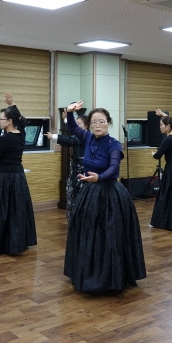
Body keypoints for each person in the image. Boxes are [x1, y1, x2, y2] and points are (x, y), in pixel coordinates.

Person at [62, 101, 146, 291]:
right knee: (88, 232)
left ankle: (110, 276)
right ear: (90, 125)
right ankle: (87, 272)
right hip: (89, 192)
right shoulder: (88, 138)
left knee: (109, 234)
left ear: (109, 123)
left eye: (101, 122)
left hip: (110, 193)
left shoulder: (114, 144)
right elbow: (73, 127)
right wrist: (70, 112)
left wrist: (99, 177)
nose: (97, 125)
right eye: (94, 122)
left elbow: (114, 168)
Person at [0, 93, 37, 255]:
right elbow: (20, 120)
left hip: (6, 178)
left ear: (9, 121)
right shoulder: (22, 135)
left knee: (3, 211)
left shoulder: (4, 139)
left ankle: (1, 245)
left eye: (1, 119)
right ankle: (18, 243)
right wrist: (12, 104)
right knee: (17, 210)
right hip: (19, 177)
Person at [45, 108, 87, 223]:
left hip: (82, 169)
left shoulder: (85, 136)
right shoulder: (81, 134)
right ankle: (75, 221)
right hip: (76, 168)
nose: (77, 126)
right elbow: (74, 130)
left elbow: (70, 140)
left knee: (79, 195)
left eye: (79, 124)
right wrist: (66, 120)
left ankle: (80, 221)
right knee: (72, 194)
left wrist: (53, 137)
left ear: (87, 126)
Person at [148, 110, 172, 230]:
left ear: (168, 126)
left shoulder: (167, 140)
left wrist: (153, 154)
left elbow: (158, 156)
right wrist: (163, 115)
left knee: (168, 195)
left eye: (161, 125)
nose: (160, 127)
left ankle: (168, 222)